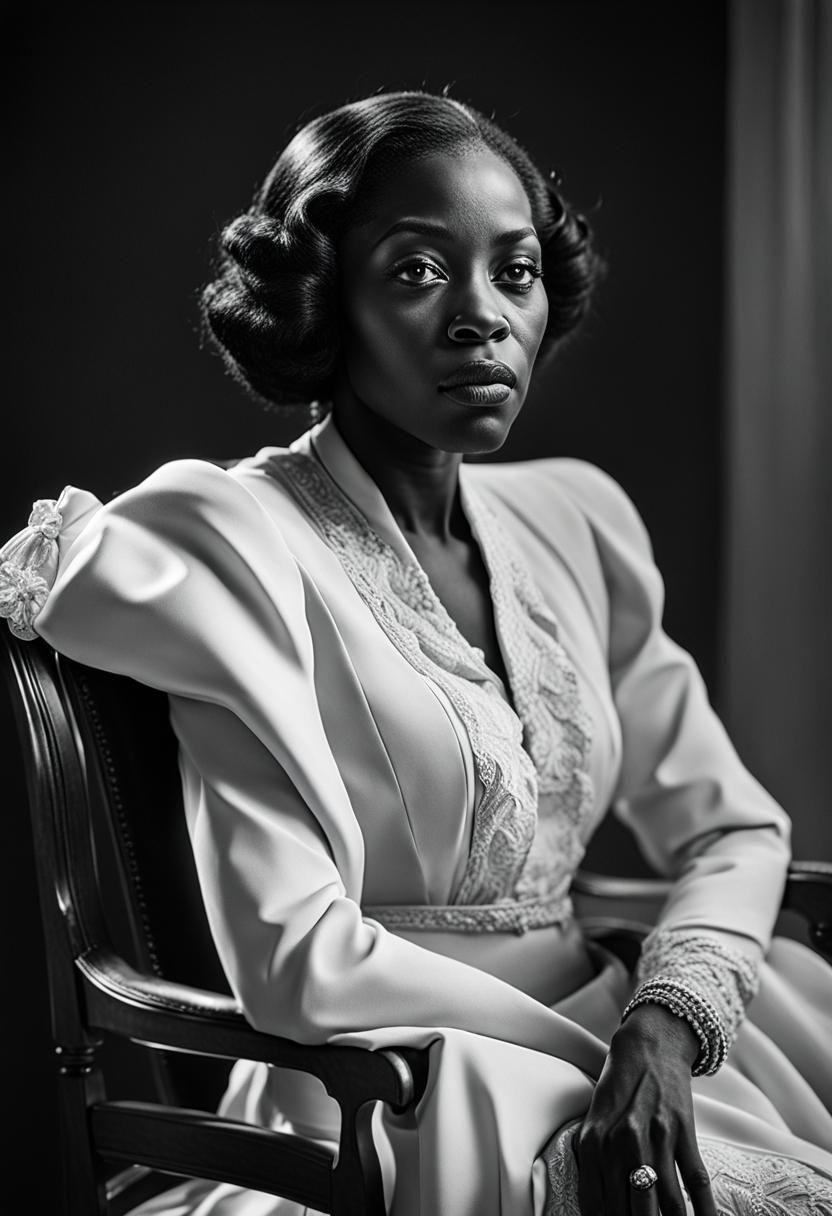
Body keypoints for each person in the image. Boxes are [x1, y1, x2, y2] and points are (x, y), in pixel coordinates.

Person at [3, 89, 832, 1216]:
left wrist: (667, 1018)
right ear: (322, 300)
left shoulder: (572, 520)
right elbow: (299, 960)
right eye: (416, 270)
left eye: (516, 269)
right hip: (403, 1082)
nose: (482, 317)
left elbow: (733, 825)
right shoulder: (237, 544)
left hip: (632, 1038)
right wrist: (596, 1063)